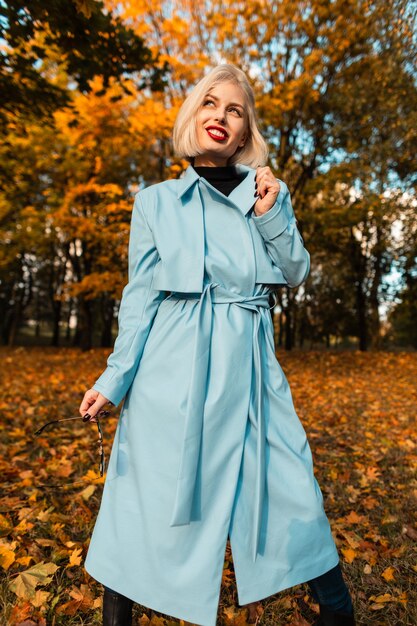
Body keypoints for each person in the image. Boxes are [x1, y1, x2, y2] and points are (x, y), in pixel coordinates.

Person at [79, 63, 355, 626]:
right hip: (173, 368)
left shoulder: (267, 192)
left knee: (292, 482)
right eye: (211, 103)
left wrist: (270, 213)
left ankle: (339, 612)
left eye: (235, 109)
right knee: (148, 494)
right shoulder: (155, 201)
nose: (221, 116)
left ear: (245, 128)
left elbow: (296, 270)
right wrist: (114, 380)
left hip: (251, 365)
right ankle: (116, 617)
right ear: (194, 115)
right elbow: (140, 301)